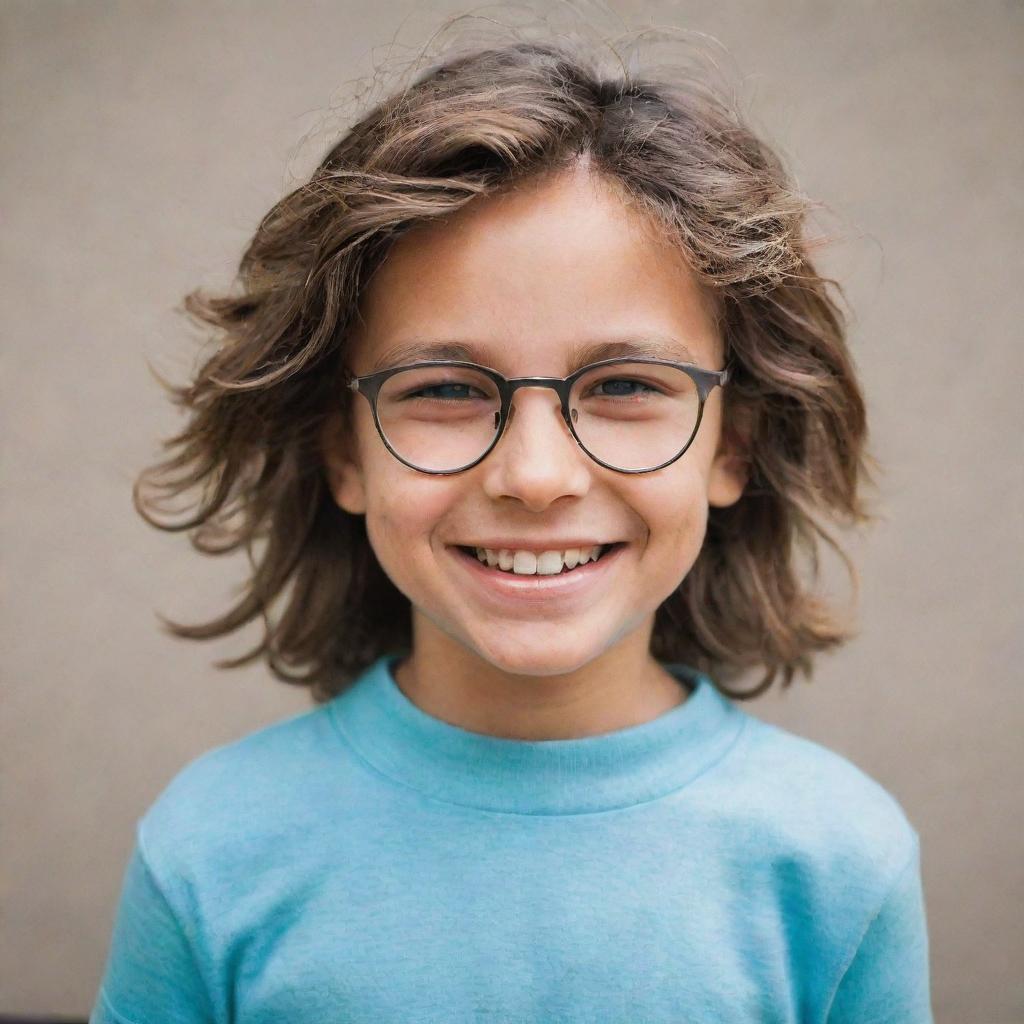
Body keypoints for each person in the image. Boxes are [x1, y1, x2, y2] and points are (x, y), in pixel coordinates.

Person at [90, 32, 933, 1024]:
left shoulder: (838, 861)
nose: (535, 476)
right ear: (343, 453)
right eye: (444, 388)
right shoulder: (209, 851)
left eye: (624, 385)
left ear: (731, 447)